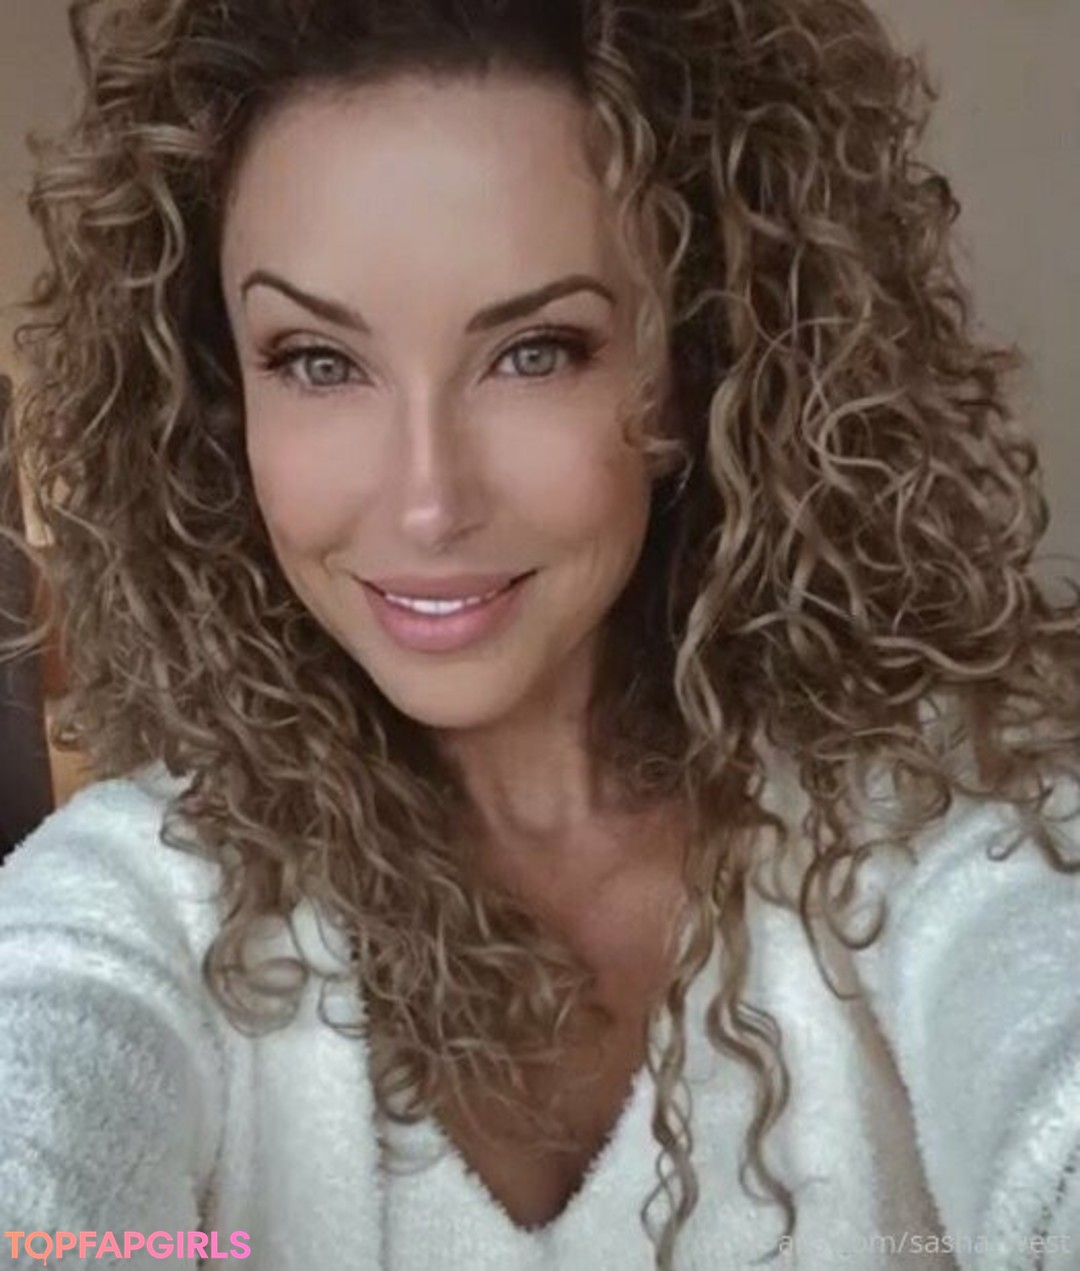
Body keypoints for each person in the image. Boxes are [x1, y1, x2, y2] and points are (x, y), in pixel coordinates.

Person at [1, 0, 1078, 1267]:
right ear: (217, 392)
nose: (427, 502)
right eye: (317, 360)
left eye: (535, 351)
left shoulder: (937, 823)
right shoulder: (143, 893)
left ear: (695, 362)